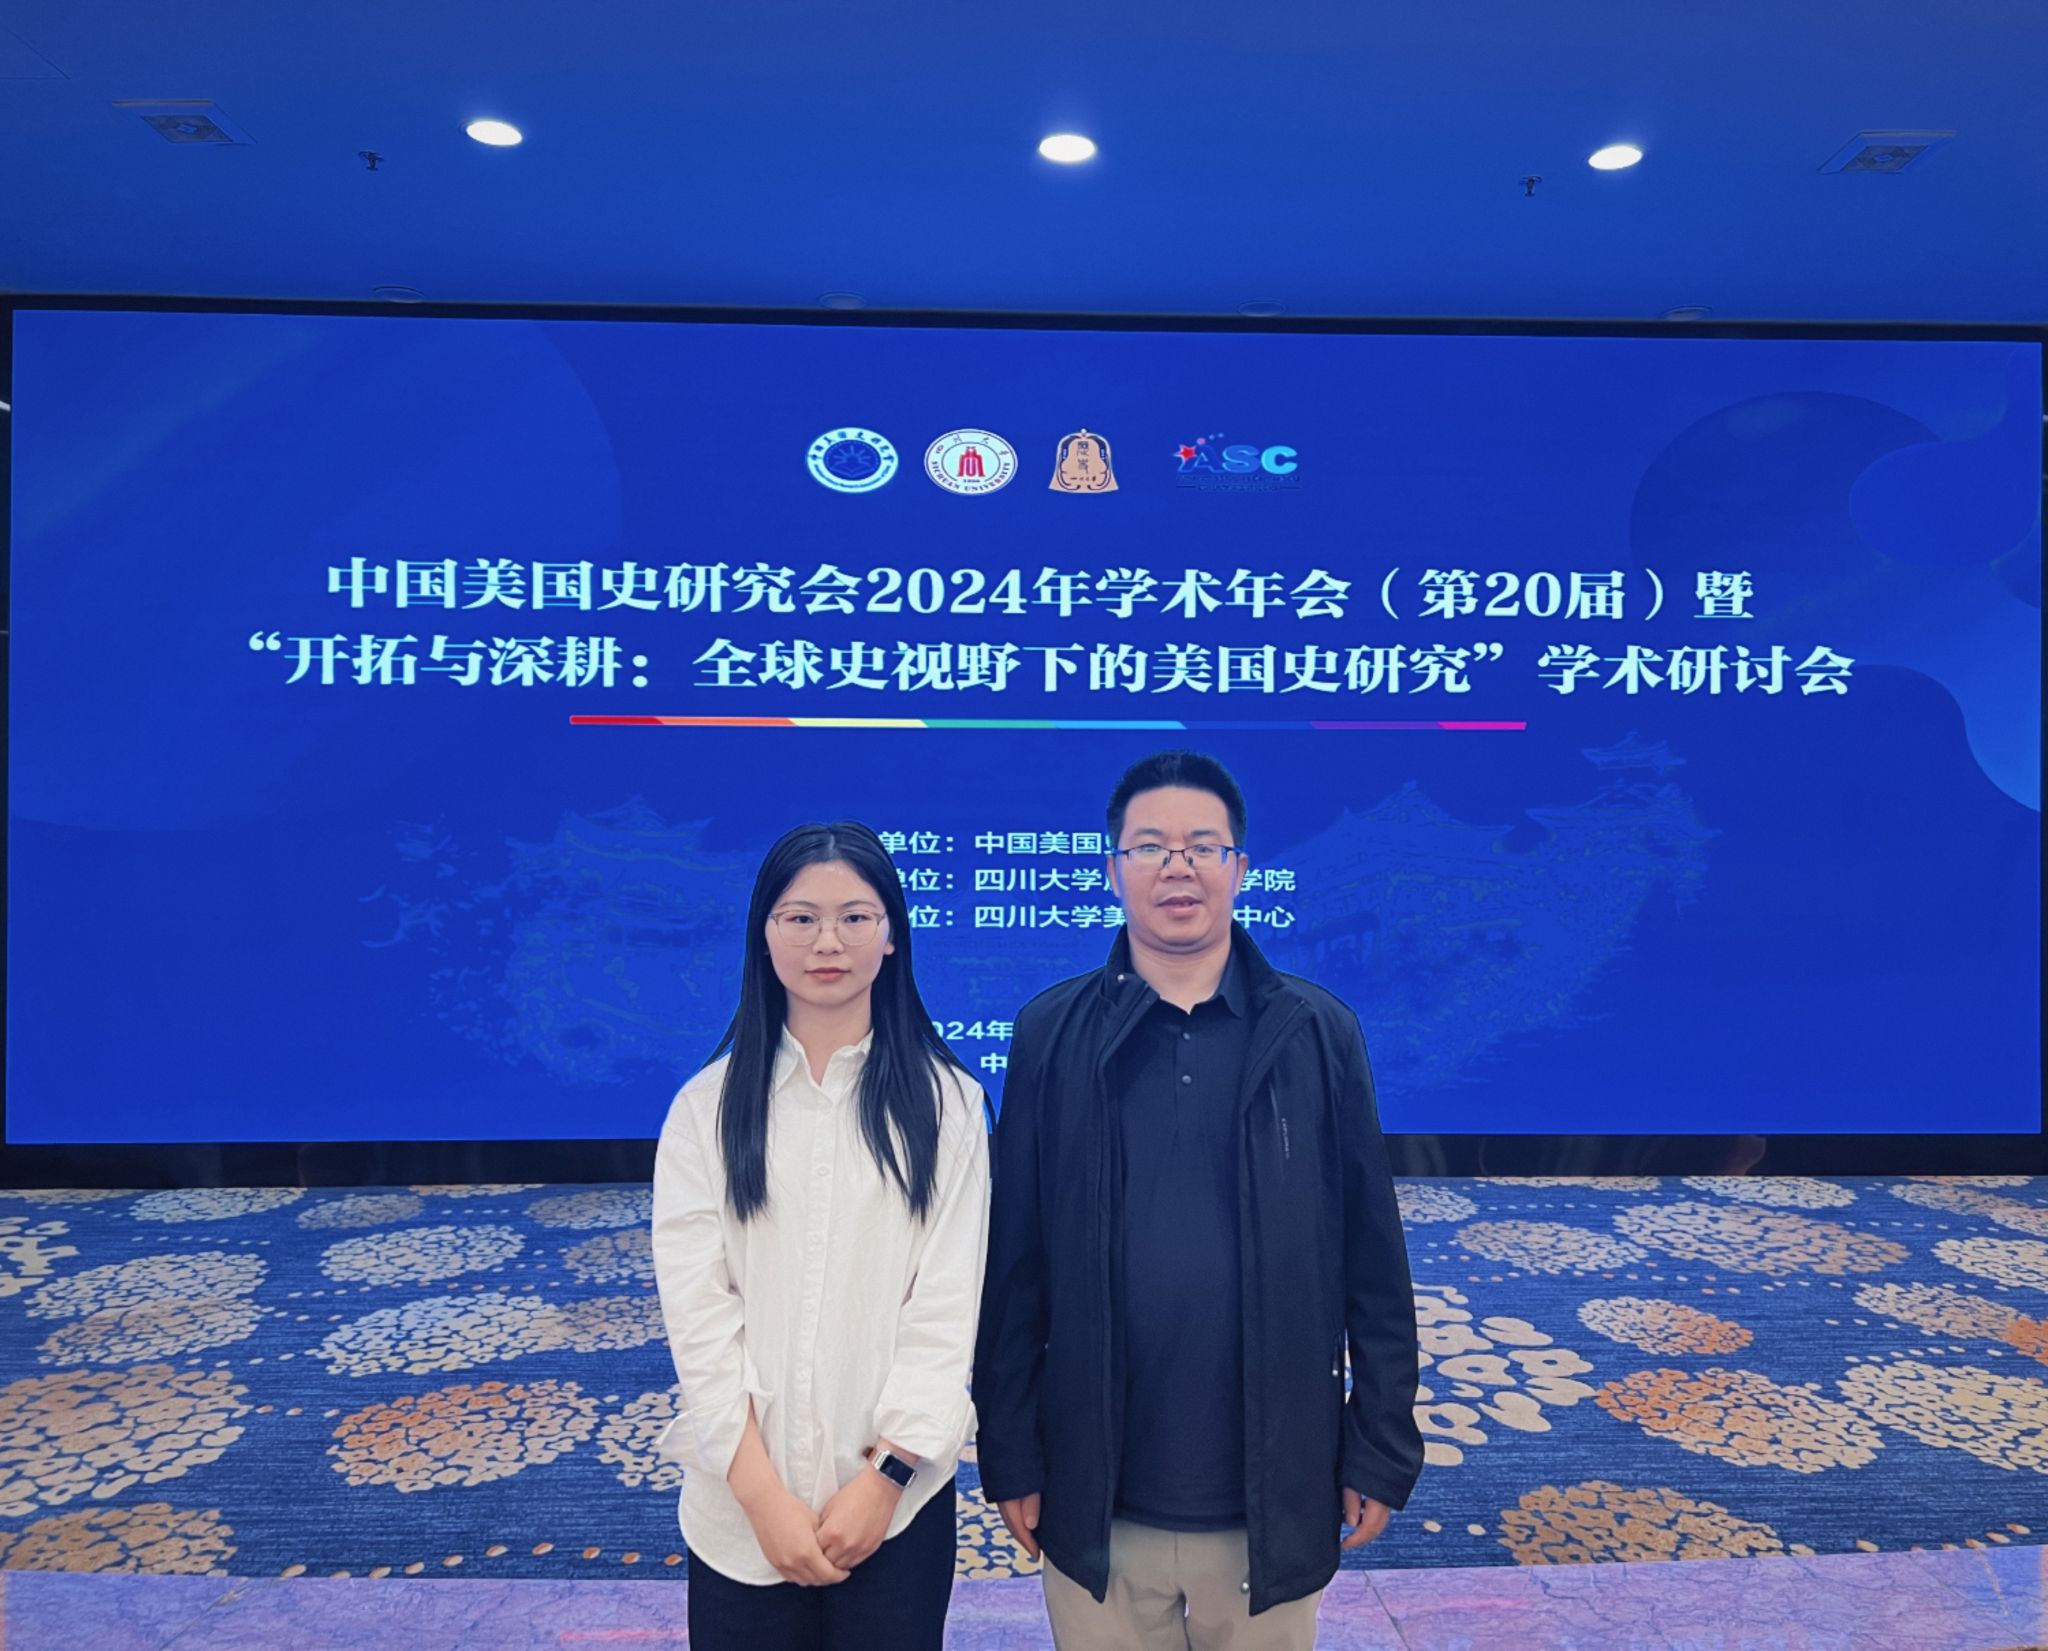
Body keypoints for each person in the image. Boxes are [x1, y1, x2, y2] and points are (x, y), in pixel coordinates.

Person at [974, 751, 1423, 1649]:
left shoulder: (1317, 1032)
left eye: (1202, 846)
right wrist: (1012, 1453)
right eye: (1149, 846)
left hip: (1271, 1498)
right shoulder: (1050, 1033)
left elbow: (1372, 1262)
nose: (1177, 866)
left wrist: (1378, 1445)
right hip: (1097, 1499)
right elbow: (1013, 1270)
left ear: (1239, 868)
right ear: (1113, 870)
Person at [651, 820, 990, 1651]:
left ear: (892, 936)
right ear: (764, 936)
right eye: (800, 917)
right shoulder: (704, 1109)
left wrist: (885, 1478)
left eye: (854, 917)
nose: (827, 941)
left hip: (895, 1509)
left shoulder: (949, 1105)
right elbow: (699, 1318)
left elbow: (945, 1312)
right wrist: (761, 1495)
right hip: (740, 1514)